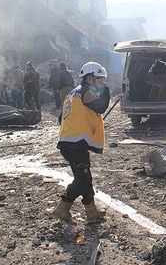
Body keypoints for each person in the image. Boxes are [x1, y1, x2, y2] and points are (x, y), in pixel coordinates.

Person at [51, 61, 110, 224]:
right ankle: (62, 208)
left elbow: (60, 118)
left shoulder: (72, 94)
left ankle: (92, 214)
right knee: (82, 180)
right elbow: (101, 107)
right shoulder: (86, 92)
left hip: (69, 142)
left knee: (85, 177)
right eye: (100, 80)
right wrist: (106, 92)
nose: (101, 83)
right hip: (76, 144)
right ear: (90, 78)